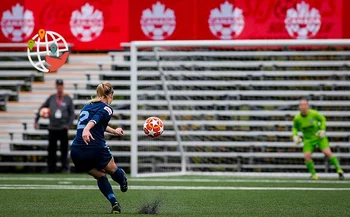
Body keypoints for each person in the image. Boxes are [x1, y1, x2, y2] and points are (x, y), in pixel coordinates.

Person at [70, 81, 128, 214]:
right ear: (111, 95)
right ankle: (123, 180)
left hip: (77, 152)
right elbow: (96, 119)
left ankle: (114, 202)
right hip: (95, 148)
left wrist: (114, 131)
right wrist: (87, 129)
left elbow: (98, 123)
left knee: (101, 176)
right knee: (113, 170)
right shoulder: (107, 108)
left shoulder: (87, 106)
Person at [292, 97, 344, 180]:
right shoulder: (297, 118)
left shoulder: (314, 114)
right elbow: (294, 128)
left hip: (319, 137)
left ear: (308, 106)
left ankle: (339, 170)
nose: (303, 107)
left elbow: (323, 119)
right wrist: (295, 135)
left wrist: (322, 130)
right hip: (308, 139)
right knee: (307, 156)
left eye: (305, 104)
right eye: (301, 105)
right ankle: (313, 175)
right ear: (299, 107)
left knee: (327, 152)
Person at [34, 79, 75, 173]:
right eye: (58, 85)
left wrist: (68, 125)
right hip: (52, 127)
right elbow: (42, 108)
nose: (59, 87)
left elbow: (72, 113)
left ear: (63, 86)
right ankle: (51, 168)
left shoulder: (68, 99)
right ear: (56, 86)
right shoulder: (52, 98)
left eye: (61, 85)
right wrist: (36, 120)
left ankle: (65, 167)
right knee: (51, 149)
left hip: (63, 128)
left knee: (64, 149)